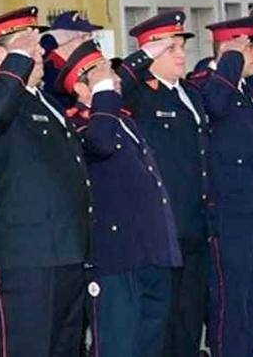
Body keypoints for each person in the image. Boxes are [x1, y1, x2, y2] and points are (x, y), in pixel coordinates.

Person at [0, 6, 92, 357]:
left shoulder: (47, 102)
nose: (40, 55)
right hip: (20, 259)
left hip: (66, 252)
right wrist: (16, 60)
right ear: (2, 55)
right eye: (29, 47)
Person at [57, 39, 183, 357]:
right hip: (115, 257)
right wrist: (103, 94)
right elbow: (100, 144)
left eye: (111, 72)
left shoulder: (123, 120)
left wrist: (145, 54)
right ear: (84, 90)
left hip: (153, 251)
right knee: (118, 345)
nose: (113, 79)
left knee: (150, 344)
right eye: (101, 76)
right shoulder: (78, 125)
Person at [113, 10, 211, 357]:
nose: (182, 54)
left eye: (182, 46)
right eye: (171, 49)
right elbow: (114, 85)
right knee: (161, 321)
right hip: (161, 227)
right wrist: (143, 56)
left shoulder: (191, 94)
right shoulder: (138, 95)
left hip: (197, 222)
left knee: (189, 318)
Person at [190, 16, 253, 357]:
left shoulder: (242, 87)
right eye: (252, 46)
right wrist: (230, 58)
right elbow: (214, 105)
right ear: (232, 49)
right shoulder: (207, 83)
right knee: (232, 304)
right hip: (231, 214)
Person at [41, 10, 102, 107]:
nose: (89, 42)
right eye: (84, 36)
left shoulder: (83, 67)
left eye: (90, 36)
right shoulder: (48, 69)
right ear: (62, 39)